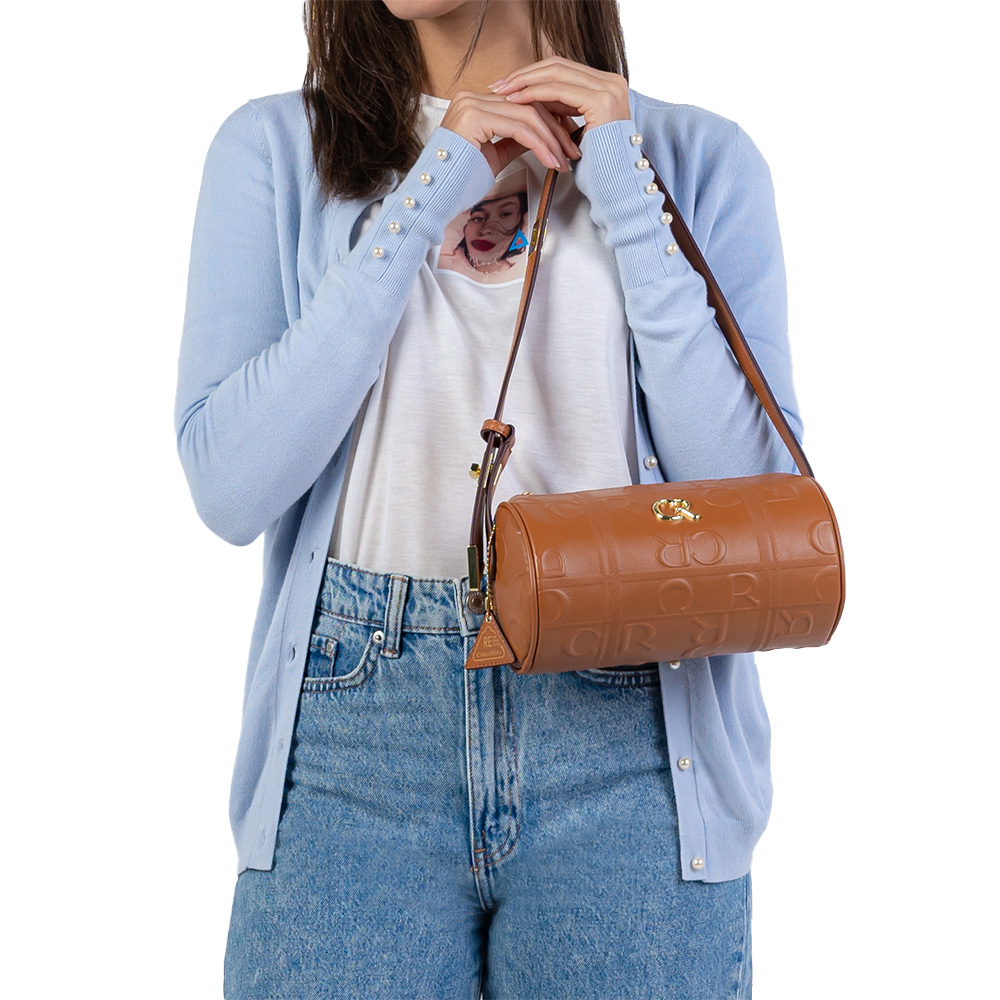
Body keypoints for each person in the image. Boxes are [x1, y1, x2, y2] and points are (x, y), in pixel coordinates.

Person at [174, 1, 803, 996]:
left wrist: (626, 187)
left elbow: (746, 497)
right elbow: (229, 484)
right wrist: (431, 188)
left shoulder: (696, 159)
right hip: (352, 737)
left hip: (631, 738)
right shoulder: (278, 149)